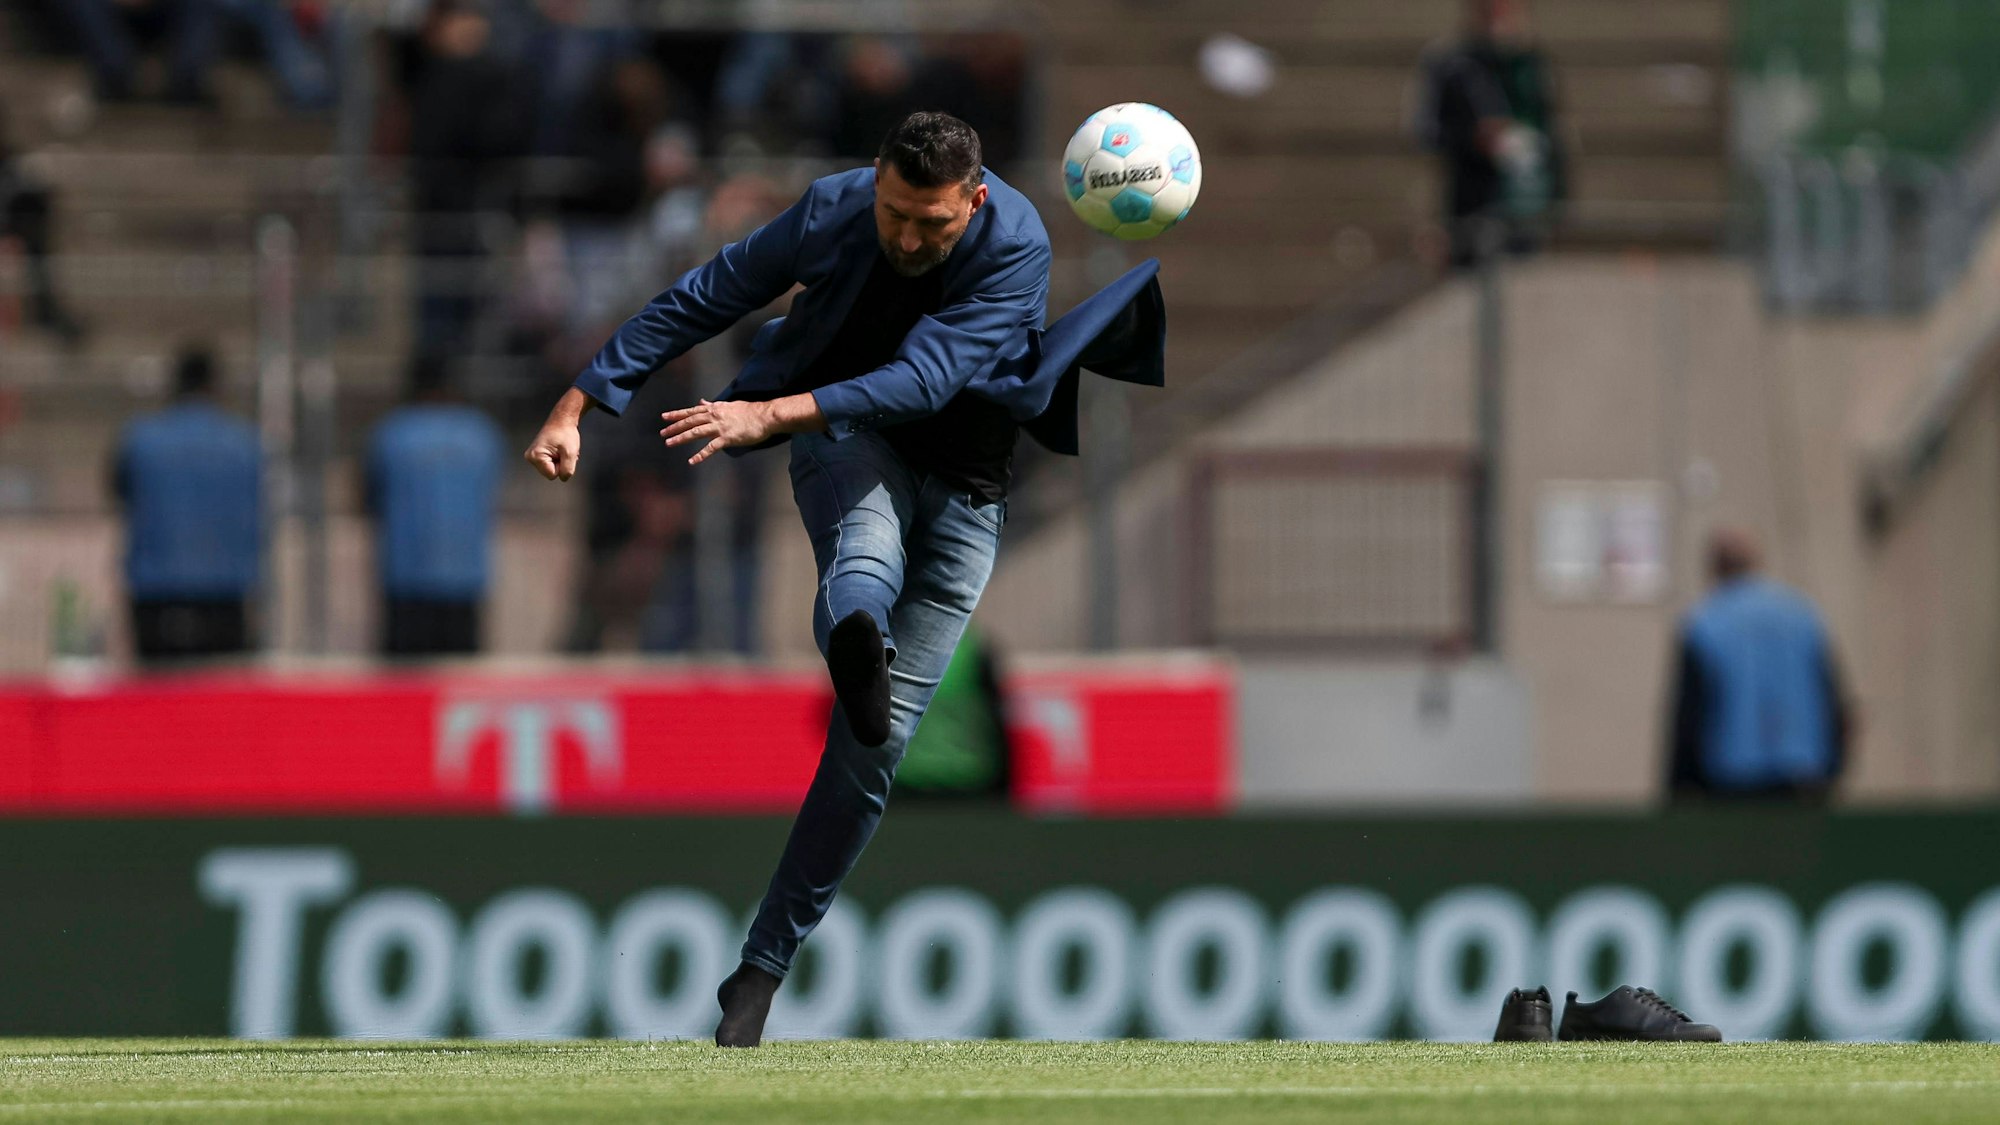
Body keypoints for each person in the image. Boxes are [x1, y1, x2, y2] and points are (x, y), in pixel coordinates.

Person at [522, 110, 1165, 1047]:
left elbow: (927, 377)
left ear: (973, 202)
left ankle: (758, 973)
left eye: (931, 225)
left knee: (872, 754)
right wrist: (578, 401)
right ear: (875, 180)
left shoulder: (1016, 244)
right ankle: (858, 636)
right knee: (862, 556)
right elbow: (706, 295)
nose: (907, 237)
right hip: (845, 437)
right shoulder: (831, 209)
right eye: (895, 212)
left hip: (969, 490)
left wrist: (767, 411)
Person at [1667, 528, 1854, 801]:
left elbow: (1690, 711)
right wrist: (1833, 769)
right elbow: (1830, 697)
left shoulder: (1704, 623)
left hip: (1729, 782)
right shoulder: (1803, 615)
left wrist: (1679, 785)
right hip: (1801, 780)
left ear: (1714, 570)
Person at [112, 347, 261, 664]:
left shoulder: (141, 439)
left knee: (157, 703)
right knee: (219, 706)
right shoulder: (244, 443)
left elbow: (120, 491)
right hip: (226, 596)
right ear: (215, 386)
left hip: (157, 596)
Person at [364, 356, 506, 657]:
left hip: (406, 576)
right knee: (458, 681)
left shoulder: (391, 433)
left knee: (406, 685)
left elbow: (370, 499)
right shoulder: (481, 433)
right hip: (465, 575)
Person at [1412, 0, 1567, 267]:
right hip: (1469, 205)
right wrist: (1473, 139)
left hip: (1525, 203)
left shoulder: (1533, 64)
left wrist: (1558, 198)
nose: (1497, 11)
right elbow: (1426, 132)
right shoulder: (1449, 64)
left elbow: (1553, 135)